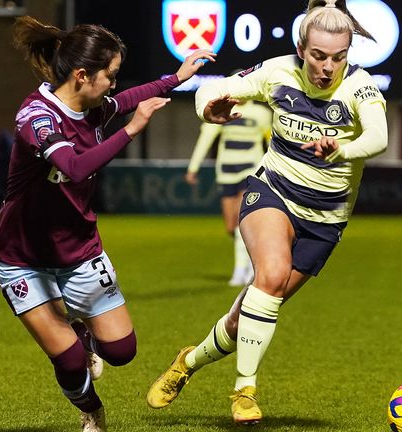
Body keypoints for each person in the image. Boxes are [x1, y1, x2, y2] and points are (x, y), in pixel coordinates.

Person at [146, 0, 388, 425]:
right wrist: (209, 107)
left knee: (249, 314)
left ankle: (189, 361)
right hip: (272, 191)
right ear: (301, 48)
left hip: (325, 220)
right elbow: (211, 88)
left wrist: (343, 149)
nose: (328, 67)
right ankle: (244, 390)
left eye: (338, 57)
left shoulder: (360, 87)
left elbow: (380, 137)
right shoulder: (277, 71)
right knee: (271, 277)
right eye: (318, 55)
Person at [0, 16, 214, 432]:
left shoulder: (90, 106)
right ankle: (91, 410)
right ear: (82, 75)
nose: (113, 84)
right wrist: (131, 130)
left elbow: (128, 98)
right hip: (21, 256)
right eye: (110, 76)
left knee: (122, 351)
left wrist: (177, 77)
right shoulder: (36, 117)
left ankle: (84, 335)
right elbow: (72, 167)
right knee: (70, 362)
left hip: (78, 249)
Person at [184, 92, 272, 287]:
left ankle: (242, 270)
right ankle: (249, 262)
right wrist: (193, 167)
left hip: (250, 170)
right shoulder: (222, 112)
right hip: (226, 172)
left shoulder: (261, 113)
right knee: (231, 226)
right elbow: (206, 138)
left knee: (243, 221)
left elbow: (272, 142)